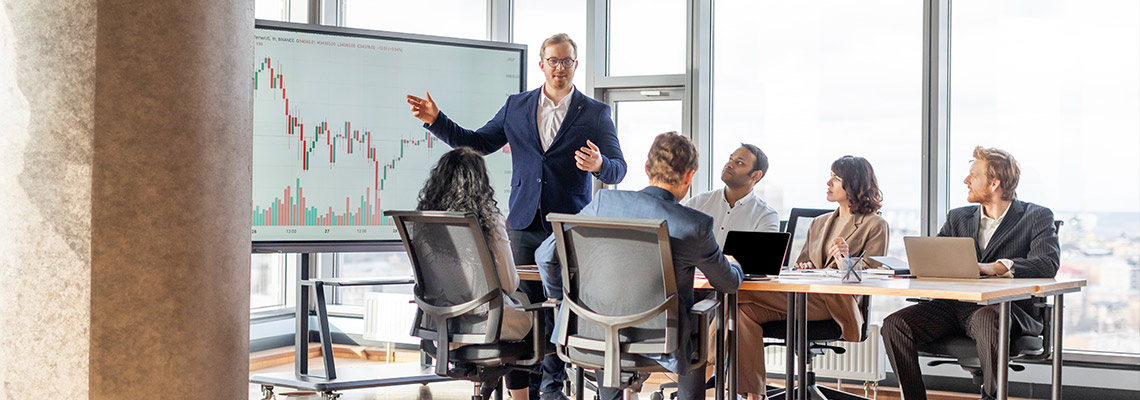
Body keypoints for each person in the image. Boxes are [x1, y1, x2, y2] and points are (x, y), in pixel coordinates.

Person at [407, 33, 626, 400]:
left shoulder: (594, 113)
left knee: (559, 310)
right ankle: (525, 390)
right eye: (553, 61)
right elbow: (476, 142)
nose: (560, 68)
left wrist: (601, 164)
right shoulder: (517, 106)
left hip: (567, 229)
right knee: (524, 310)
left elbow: (618, 169)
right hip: (522, 226)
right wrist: (436, 120)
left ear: (576, 65)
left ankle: (554, 387)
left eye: (567, 61)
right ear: (541, 64)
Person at [535, 132, 744, 400]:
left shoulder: (603, 205)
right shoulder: (694, 224)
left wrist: (558, 297)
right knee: (701, 314)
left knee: (611, 308)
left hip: (590, 332)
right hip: (659, 343)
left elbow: (545, 255)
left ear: (647, 169)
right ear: (689, 176)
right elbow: (726, 283)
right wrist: (735, 265)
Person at [882, 146, 1059, 400]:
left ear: (994, 183)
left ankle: (992, 397)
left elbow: (1047, 263)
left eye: (973, 176)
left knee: (987, 317)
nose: (966, 181)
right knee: (894, 325)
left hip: (1007, 310)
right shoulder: (958, 218)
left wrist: (997, 267)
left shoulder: (1035, 216)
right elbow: (935, 259)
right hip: (954, 308)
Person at [734, 155, 890, 400]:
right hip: (804, 298)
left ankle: (708, 362)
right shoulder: (819, 223)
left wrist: (845, 262)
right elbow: (803, 265)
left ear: (854, 184)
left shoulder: (874, 225)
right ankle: (755, 395)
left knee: (736, 293)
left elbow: (873, 276)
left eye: (836, 179)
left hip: (835, 303)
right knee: (742, 313)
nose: (828, 182)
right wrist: (803, 266)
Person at [415, 147, 534, 400]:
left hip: (439, 327)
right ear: (480, 182)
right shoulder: (489, 222)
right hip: (485, 327)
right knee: (532, 313)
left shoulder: (425, 223)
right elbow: (509, 284)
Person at [684, 143, 780, 246]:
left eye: (739, 162)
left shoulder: (766, 216)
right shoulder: (698, 203)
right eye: (730, 159)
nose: (729, 165)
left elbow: (762, 259)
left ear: (756, 175)